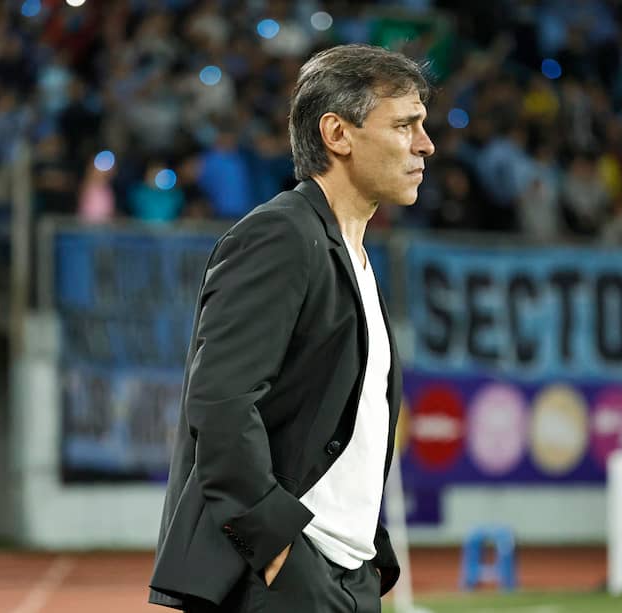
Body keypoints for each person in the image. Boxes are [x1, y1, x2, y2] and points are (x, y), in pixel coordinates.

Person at [148, 44, 435, 612]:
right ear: (338, 133)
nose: (425, 145)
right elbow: (222, 403)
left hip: (347, 572)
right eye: (405, 125)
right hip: (282, 575)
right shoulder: (281, 236)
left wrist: (365, 555)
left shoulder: (349, 250)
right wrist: (276, 545)